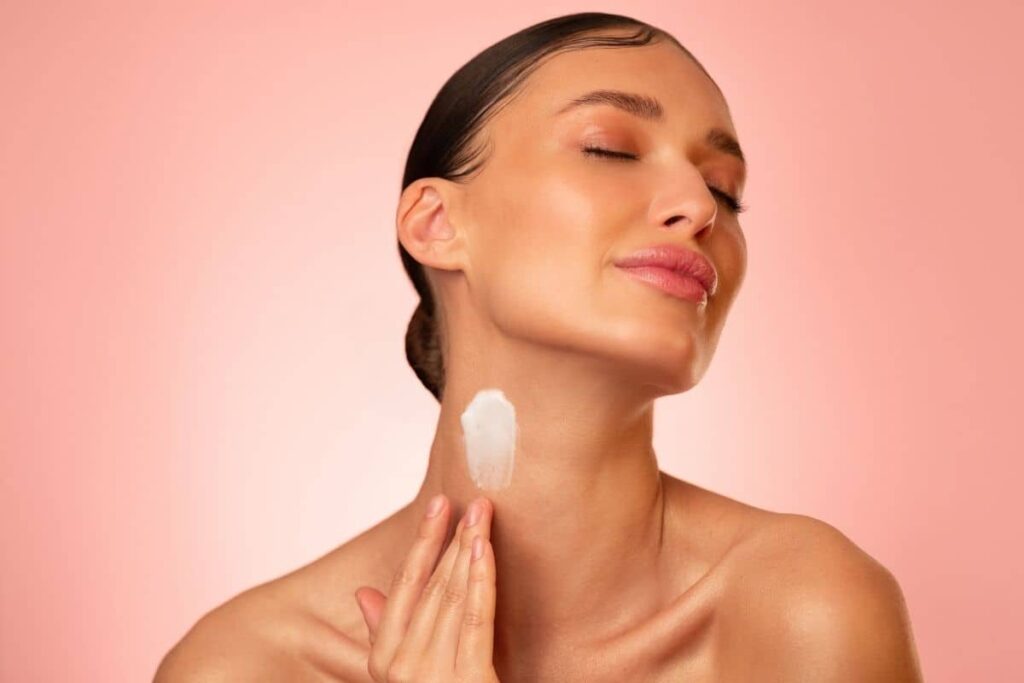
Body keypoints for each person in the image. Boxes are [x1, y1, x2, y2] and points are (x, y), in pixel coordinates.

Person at [155, 12, 923, 682]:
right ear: (436, 224)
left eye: (725, 188)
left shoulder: (804, 612)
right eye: (610, 148)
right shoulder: (246, 666)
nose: (698, 207)